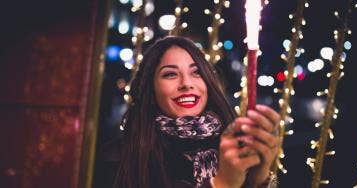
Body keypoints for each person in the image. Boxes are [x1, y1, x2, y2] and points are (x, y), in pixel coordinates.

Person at [95, 36, 280, 188]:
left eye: (196, 72)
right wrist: (223, 184)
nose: (186, 83)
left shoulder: (234, 147)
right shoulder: (120, 158)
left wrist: (259, 178)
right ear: (151, 90)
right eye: (170, 74)